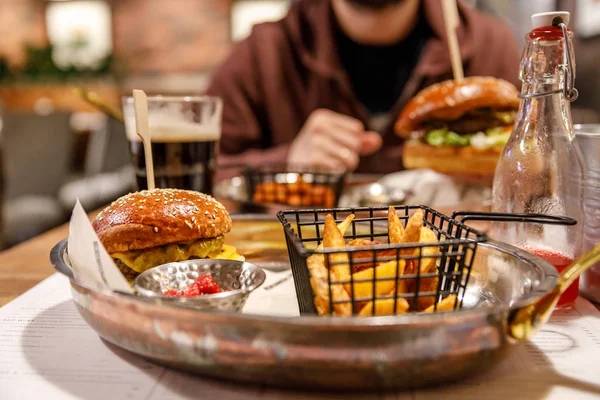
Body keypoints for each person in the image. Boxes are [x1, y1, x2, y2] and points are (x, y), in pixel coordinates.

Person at [206, 0, 521, 178]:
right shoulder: (262, 54)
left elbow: (542, 174)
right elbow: (204, 177)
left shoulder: (488, 46)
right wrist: (286, 163)